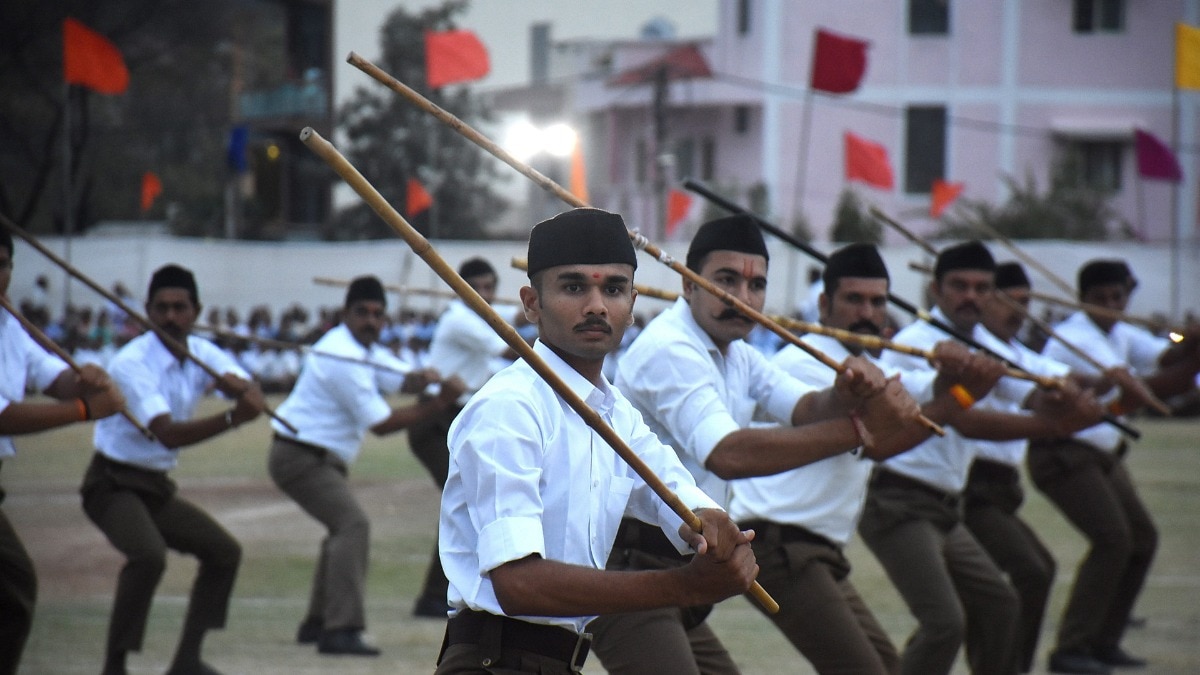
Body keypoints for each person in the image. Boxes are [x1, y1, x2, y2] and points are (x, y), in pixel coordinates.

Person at [591, 216, 929, 675]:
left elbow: (805, 408)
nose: (742, 298)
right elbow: (728, 454)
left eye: (756, 285)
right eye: (726, 280)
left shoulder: (738, 352)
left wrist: (846, 394)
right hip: (628, 567)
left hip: (679, 566)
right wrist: (861, 428)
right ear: (688, 284)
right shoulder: (670, 348)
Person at [437, 207, 758, 674]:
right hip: (494, 661)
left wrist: (713, 528)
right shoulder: (509, 407)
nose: (597, 306)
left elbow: (671, 489)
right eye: (574, 288)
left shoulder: (613, 413)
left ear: (632, 302)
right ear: (531, 303)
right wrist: (684, 586)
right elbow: (518, 583)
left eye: (613, 289)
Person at [737, 243, 1006, 675]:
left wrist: (952, 373)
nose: (867, 312)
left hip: (816, 548)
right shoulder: (804, 363)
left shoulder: (862, 367)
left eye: (877, 302)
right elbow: (877, 441)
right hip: (778, 545)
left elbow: (916, 389)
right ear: (824, 305)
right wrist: (960, 395)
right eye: (854, 299)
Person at [861, 241, 1103, 675]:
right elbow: (963, 419)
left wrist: (1067, 399)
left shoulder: (988, 346)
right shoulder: (915, 343)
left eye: (981, 288)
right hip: (898, 499)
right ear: (936, 289)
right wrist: (1056, 425)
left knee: (1000, 605)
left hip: (946, 505)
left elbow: (1029, 392)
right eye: (959, 286)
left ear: (992, 295)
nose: (970, 296)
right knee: (945, 624)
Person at [82, 264, 266, 675]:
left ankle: (187, 661)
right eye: (161, 308)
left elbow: (249, 387)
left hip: (155, 487)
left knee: (224, 553)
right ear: (147, 311)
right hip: (112, 483)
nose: (170, 317)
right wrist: (234, 416)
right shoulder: (132, 363)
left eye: (179, 308)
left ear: (196, 311)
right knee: (148, 557)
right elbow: (166, 434)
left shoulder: (201, 352)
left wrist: (242, 388)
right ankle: (114, 666)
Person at [268, 275, 465, 655]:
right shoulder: (340, 354)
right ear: (345, 314)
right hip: (300, 455)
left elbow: (398, 377)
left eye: (377, 314)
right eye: (362, 313)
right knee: (352, 525)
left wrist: (422, 380)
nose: (371, 321)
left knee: (340, 529)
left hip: (317, 456)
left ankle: (316, 623)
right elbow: (380, 424)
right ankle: (341, 629)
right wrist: (440, 402)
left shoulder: (363, 349)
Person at [1030, 260, 1200, 674]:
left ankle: (1104, 642)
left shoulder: (1120, 331)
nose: (1110, 305)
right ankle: (1070, 648)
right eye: (1100, 298)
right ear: (1082, 300)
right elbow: (1154, 387)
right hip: (1064, 452)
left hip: (1101, 453)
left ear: (1126, 297)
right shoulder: (1075, 338)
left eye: (1117, 297)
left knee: (1141, 539)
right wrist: (1194, 354)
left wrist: (1190, 345)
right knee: (1112, 539)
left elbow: (1165, 358)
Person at [0, 232, 125, 675]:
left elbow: (53, 377)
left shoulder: (11, 326)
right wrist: (84, 410)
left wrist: (86, 380)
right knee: (14, 591)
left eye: (2, 264)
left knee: (14, 593)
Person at [407, 258, 519, 618]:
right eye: (476, 288)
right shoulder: (460, 319)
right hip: (434, 418)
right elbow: (511, 346)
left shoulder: (481, 316)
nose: (483, 294)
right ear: (460, 290)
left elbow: (514, 318)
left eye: (489, 288)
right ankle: (434, 595)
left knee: (468, 500)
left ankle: (438, 593)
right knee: (466, 500)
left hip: (456, 418)